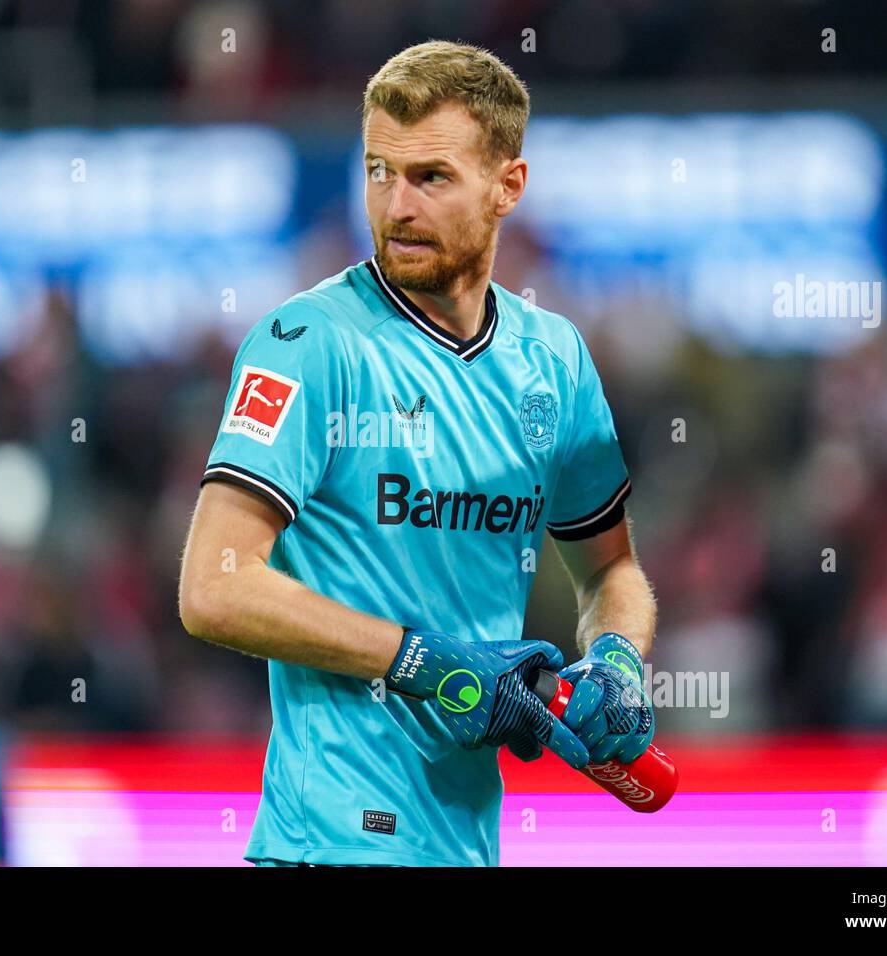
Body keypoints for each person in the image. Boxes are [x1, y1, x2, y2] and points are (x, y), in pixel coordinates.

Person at [178, 40, 658, 867]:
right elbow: (212, 588)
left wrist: (617, 658)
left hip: (466, 845)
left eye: (430, 177)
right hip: (327, 846)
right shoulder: (308, 345)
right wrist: (420, 659)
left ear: (508, 186)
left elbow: (611, 571)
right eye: (377, 172)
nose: (396, 206)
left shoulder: (556, 360)